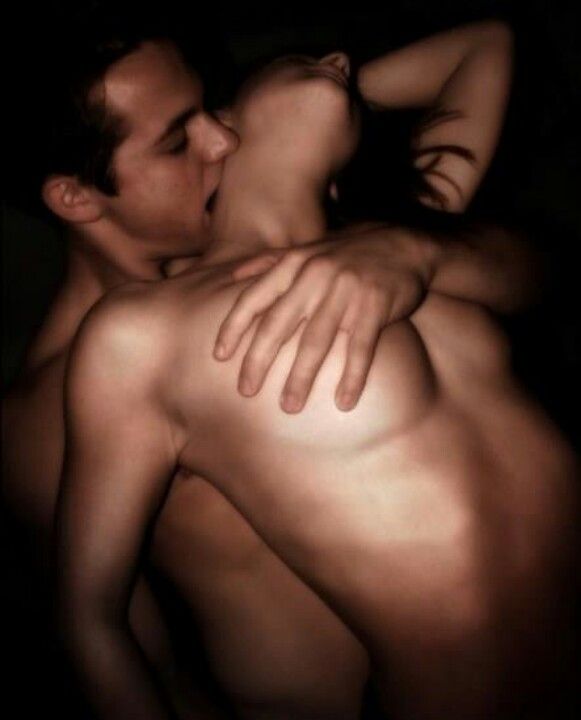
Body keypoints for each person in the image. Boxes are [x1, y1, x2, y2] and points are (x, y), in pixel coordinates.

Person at [55, 19, 578, 720]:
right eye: (184, 133)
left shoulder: (404, 229)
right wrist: (288, 104)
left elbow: (491, 43)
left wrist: (413, 251)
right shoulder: (143, 335)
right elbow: (91, 615)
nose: (339, 59)